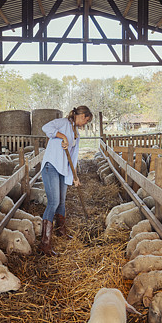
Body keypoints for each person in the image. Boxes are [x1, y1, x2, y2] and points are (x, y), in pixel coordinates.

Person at [38, 105, 93, 256]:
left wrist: (74, 176)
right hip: (51, 166)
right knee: (53, 202)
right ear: (81, 115)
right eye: (86, 120)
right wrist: (62, 136)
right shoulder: (62, 123)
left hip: (63, 169)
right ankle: (44, 244)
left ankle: (60, 231)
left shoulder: (76, 134)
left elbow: (73, 158)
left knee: (62, 202)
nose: (85, 123)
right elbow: (45, 128)